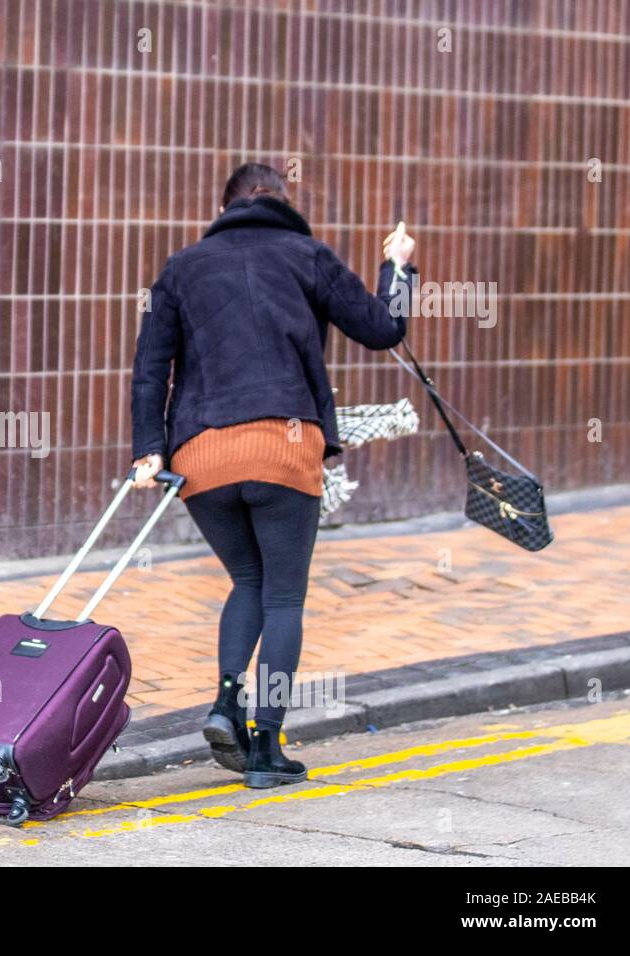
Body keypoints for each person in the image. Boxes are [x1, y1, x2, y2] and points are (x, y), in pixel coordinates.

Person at [130, 163, 417, 788]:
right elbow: (383, 329)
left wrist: (149, 450)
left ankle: (225, 704)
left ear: (225, 206)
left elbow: (151, 367)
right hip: (283, 449)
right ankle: (264, 747)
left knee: (247, 581)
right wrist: (398, 266)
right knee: (284, 596)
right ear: (282, 201)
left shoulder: (182, 267)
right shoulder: (305, 254)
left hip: (201, 456)